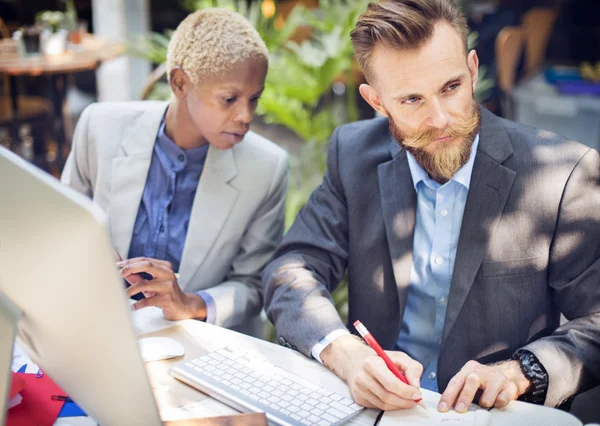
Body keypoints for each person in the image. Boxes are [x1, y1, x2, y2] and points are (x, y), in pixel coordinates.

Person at [263, 0, 600, 414]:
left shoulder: (563, 174)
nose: (440, 119)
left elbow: (597, 322)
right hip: (379, 411)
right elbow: (292, 270)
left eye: (451, 87)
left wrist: (521, 371)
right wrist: (346, 354)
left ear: (473, 69)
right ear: (376, 100)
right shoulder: (352, 155)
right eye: (411, 100)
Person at [62, 8, 289, 337]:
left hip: (200, 345)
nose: (246, 115)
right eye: (229, 99)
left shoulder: (268, 168)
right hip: (96, 329)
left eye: (254, 98)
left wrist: (190, 303)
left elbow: (254, 286)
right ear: (180, 83)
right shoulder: (100, 128)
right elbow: (64, 226)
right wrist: (87, 251)